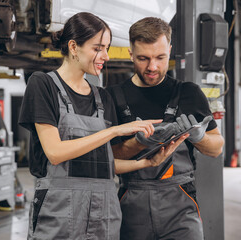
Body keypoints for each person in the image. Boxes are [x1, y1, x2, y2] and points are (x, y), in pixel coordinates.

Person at [18, 12, 188, 240]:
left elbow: (105, 165)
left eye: (107, 48)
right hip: (58, 211)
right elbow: (55, 153)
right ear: (73, 47)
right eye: (98, 48)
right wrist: (114, 131)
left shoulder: (103, 98)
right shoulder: (43, 85)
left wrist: (147, 162)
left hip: (103, 214)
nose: (105, 56)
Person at [106, 17, 225, 240]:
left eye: (160, 57)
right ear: (130, 53)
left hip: (180, 205)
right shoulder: (112, 97)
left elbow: (216, 147)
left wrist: (199, 138)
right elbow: (109, 156)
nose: (152, 67)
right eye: (143, 58)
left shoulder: (189, 93)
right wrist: (139, 143)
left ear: (170, 50)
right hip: (132, 204)